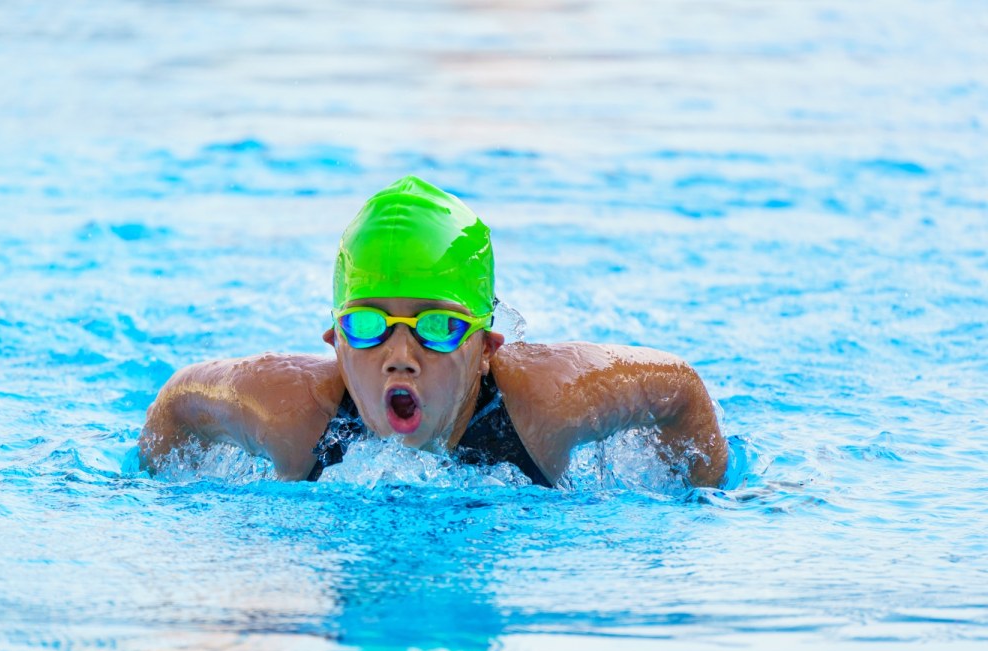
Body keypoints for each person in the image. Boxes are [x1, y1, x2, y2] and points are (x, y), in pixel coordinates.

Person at [140, 176, 728, 488]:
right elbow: (176, 405)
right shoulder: (289, 414)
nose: (400, 355)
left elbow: (680, 389)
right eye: (368, 326)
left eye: (439, 327)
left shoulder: (546, 404)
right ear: (336, 343)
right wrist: (150, 492)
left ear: (486, 350)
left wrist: (703, 498)